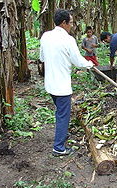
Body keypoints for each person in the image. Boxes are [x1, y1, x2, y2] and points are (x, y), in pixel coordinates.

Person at [40, 9, 94, 157]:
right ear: (64, 23)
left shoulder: (46, 36)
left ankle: (62, 134)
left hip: (50, 84)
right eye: (70, 22)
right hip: (62, 86)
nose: (71, 25)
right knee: (63, 115)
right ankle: (59, 147)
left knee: (60, 112)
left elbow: (42, 58)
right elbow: (78, 62)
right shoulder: (68, 40)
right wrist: (89, 64)